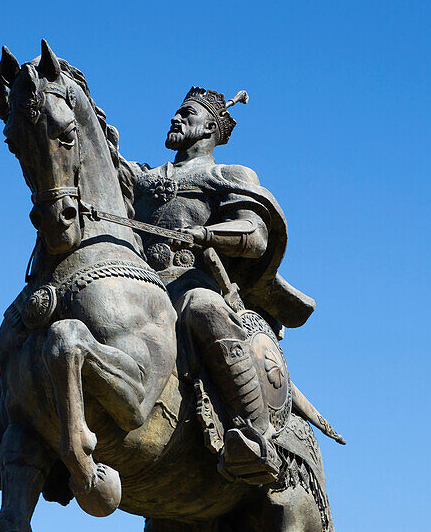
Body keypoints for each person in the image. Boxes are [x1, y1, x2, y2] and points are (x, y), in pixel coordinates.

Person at [122, 87, 315, 483]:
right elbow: (91, 144)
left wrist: (207, 235)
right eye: (175, 113)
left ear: (210, 125)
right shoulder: (143, 176)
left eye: (186, 113)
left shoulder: (227, 174)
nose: (175, 119)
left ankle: (255, 436)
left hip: (191, 284)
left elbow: (255, 233)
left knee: (203, 308)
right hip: (138, 284)